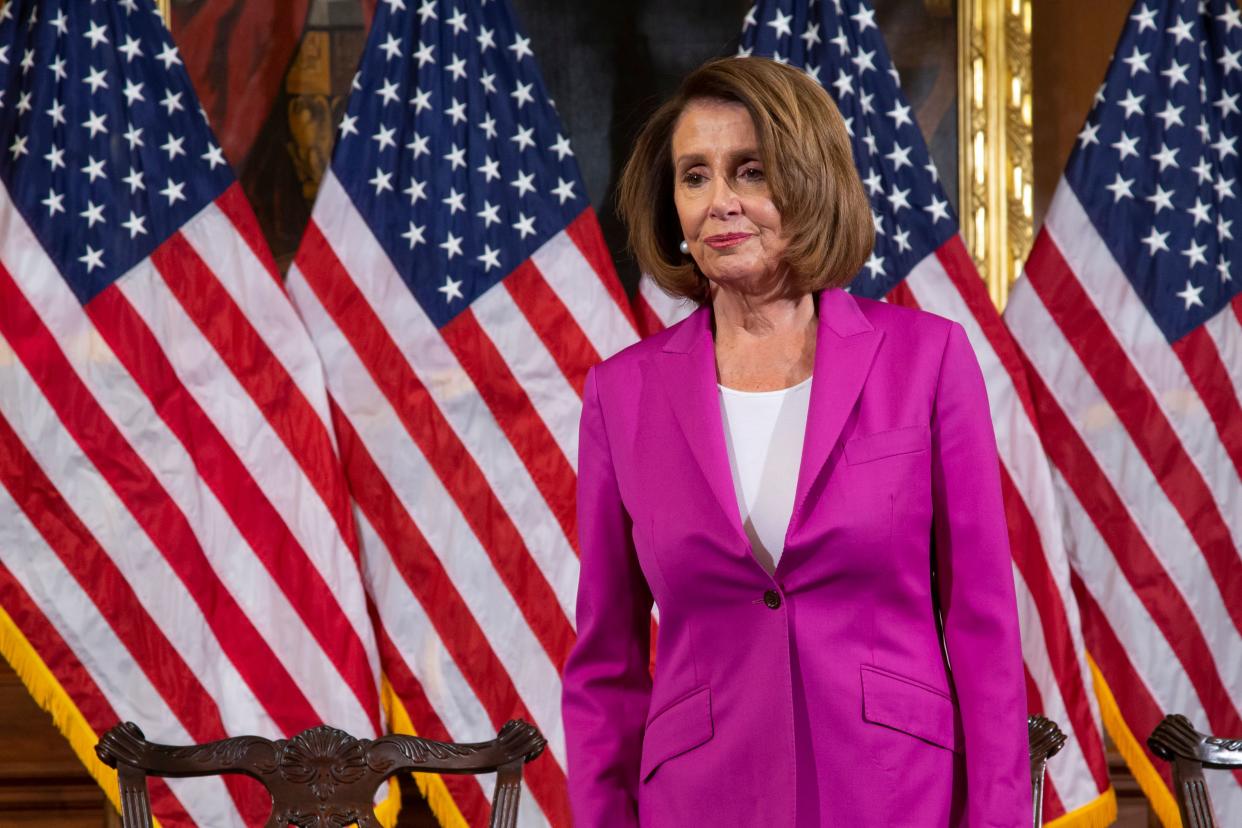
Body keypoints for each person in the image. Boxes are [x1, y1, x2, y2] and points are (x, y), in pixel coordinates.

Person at [562, 56, 1032, 827]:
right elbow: (605, 666)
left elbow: (983, 628)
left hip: (893, 792)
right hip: (700, 802)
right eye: (695, 177)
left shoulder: (929, 360)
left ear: (809, 183)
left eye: (750, 171)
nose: (721, 202)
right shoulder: (623, 394)